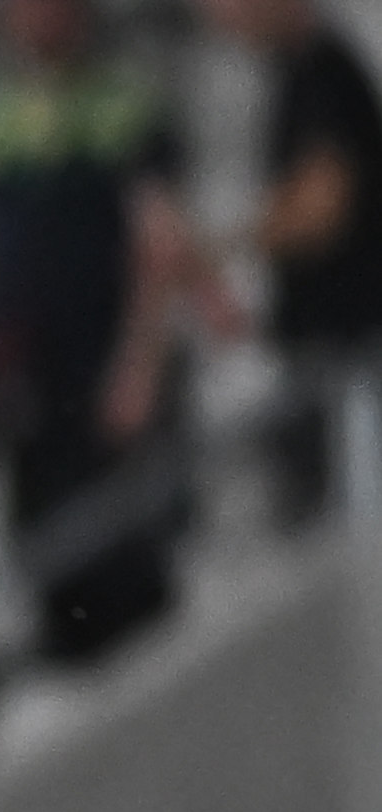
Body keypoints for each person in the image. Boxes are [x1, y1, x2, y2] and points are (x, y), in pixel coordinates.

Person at [0, 0, 205, 665]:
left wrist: (138, 365)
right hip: (21, 372)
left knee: (120, 550)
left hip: (99, 367)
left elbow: (157, 243)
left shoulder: (123, 106)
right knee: (41, 545)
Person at [211, 0, 382, 519]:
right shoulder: (291, 73)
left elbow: (322, 205)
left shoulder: (323, 68)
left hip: (352, 349)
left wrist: (219, 248)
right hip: (324, 346)